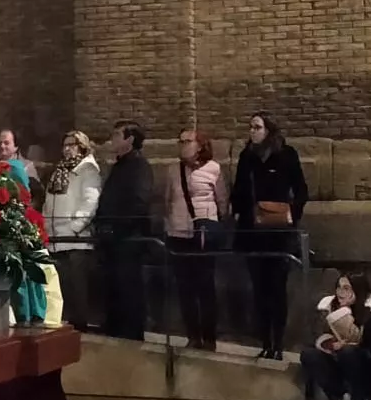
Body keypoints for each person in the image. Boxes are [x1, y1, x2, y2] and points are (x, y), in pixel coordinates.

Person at [230, 112, 308, 360]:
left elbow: (301, 189)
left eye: (257, 127)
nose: (252, 131)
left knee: (277, 289)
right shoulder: (247, 157)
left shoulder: (286, 154)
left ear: (268, 130)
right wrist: (238, 210)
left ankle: (278, 343)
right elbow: (240, 190)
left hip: (278, 234)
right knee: (259, 290)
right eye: (250, 127)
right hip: (253, 233)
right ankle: (265, 342)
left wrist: (290, 214)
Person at [162, 130, 230, 351]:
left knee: (205, 287)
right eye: (180, 141)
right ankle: (192, 335)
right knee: (185, 288)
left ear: (200, 145)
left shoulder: (213, 169)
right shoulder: (174, 170)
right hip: (178, 233)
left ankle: (209, 337)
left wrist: (213, 226)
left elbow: (222, 201)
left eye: (188, 141)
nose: (183, 145)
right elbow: (167, 200)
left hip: (203, 235)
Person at [95, 120, 154, 341]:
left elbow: (139, 203)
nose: (113, 138)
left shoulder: (140, 167)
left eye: (117, 134)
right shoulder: (119, 166)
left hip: (129, 241)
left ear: (130, 139)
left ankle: (130, 335)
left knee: (129, 292)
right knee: (114, 291)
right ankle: (115, 330)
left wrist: (116, 227)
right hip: (112, 241)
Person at [43, 130, 101, 330]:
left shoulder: (88, 170)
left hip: (75, 238)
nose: (67, 149)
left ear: (81, 147)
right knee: (62, 286)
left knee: (77, 287)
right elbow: (49, 200)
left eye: (71, 145)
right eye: (65, 145)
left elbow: (90, 201)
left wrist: (75, 227)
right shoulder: (60, 170)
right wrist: (46, 225)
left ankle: (80, 325)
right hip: (56, 236)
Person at [301, 272, 371, 400]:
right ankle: (343, 396)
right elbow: (316, 334)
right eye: (338, 287)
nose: (340, 292)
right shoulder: (328, 305)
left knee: (348, 352)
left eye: (346, 288)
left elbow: (361, 339)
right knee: (309, 355)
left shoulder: (367, 309)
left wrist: (345, 316)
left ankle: (361, 399)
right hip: (336, 359)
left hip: (362, 363)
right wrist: (331, 344)